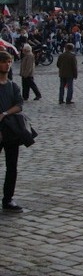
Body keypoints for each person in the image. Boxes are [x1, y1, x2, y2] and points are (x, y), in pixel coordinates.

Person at [0, 51, 26, 212]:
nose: (7, 64)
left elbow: (19, 104)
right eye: (4, 61)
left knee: (12, 167)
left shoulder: (12, 85)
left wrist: (4, 114)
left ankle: (8, 199)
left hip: (10, 130)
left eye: (9, 61)